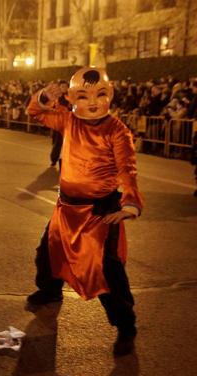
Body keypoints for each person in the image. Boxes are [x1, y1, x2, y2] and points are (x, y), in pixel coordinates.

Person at [25, 67, 144, 357]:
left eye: (100, 94)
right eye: (84, 95)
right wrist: (43, 97)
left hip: (99, 211)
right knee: (48, 251)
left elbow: (127, 168)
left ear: (110, 95)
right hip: (66, 207)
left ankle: (125, 325)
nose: (92, 102)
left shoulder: (117, 131)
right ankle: (50, 291)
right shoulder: (69, 119)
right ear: (72, 98)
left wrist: (130, 202)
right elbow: (35, 112)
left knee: (105, 271)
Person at [49, 79, 71, 167]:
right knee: (56, 142)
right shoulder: (56, 97)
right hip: (58, 123)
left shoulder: (70, 97)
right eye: (62, 86)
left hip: (68, 123)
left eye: (65, 86)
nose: (64, 88)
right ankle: (54, 159)